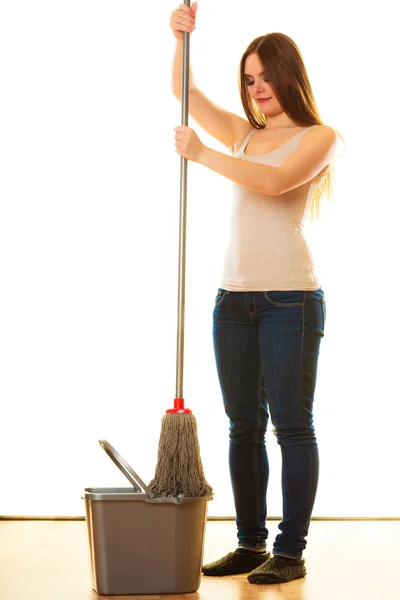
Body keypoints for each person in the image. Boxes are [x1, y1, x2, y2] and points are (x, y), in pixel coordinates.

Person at [170, 2, 338, 585]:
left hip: (290, 301)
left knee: (291, 425)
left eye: (266, 76)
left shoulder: (320, 137)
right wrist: (179, 35)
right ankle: (249, 544)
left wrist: (201, 154)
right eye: (248, 79)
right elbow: (183, 91)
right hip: (232, 301)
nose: (257, 88)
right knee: (243, 425)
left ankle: (289, 551)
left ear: (290, 76)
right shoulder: (246, 134)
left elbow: (273, 184)